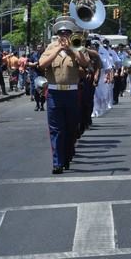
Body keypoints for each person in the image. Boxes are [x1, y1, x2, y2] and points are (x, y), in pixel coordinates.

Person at [39, 16, 89, 174]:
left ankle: (67, 155)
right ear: (57, 35)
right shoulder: (51, 48)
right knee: (56, 129)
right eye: (61, 33)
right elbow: (42, 64)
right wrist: (58, 50)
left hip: (71, 92)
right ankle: (57, 163)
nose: (64, 36)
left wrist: (73, 48)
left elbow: (85, 63)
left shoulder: (77, 46)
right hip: (54, 93)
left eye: (67, 33)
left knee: (71, 128)